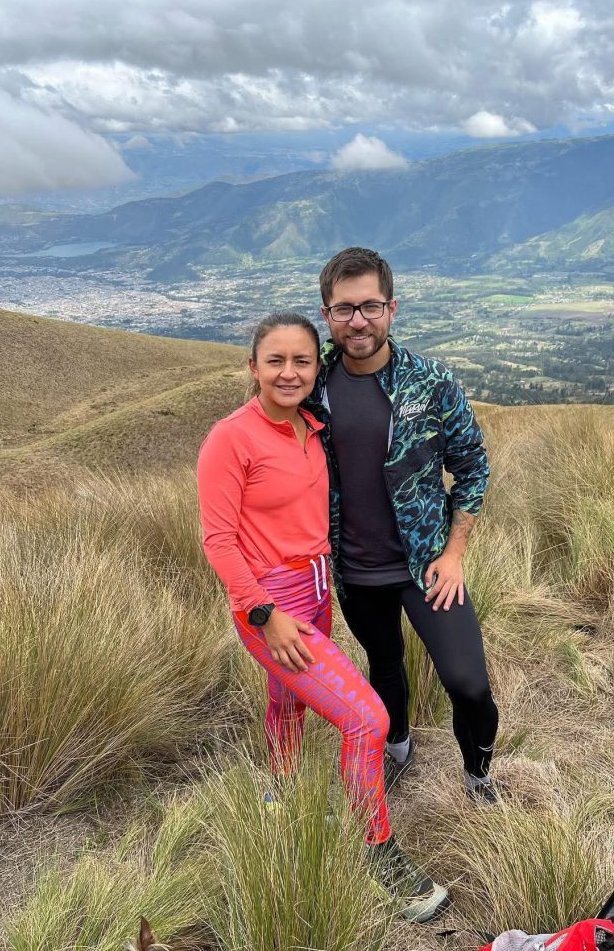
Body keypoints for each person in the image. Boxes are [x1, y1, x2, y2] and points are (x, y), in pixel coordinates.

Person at [196, 311, 449, 923]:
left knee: (288, 701)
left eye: (302, 361)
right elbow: (218, 540)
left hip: (317, 588)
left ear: (317, 368)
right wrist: (264, 613)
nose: (289, 372)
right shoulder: (231, 438)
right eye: (275, 361)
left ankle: (280, 796)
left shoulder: (313, 427)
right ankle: (377, 853)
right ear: (252, 367)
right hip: (270, 602)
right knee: (367, 719)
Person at [309, 249, 499, 802]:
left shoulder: (431, 382)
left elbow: (473, 466)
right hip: (355, 569)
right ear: (327, 314)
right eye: (345, 309)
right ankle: (397, 750)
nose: (358, 321)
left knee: (468, 683)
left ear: (391, 309)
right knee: (385, 665)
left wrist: (454, 553)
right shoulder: (311, 385)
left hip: (428, 567)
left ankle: (479, 775)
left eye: (370, 306)